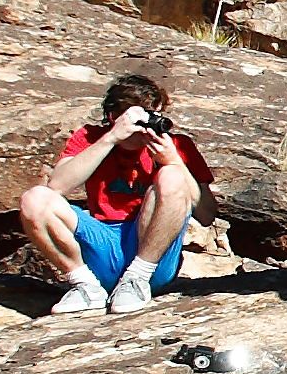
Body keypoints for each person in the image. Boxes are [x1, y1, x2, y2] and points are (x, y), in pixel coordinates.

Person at [19, 71, 208, 318]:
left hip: (152, 257)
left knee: (171, 176)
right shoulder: (90, 138)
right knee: (34, 199)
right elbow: (57, 186)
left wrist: (174, 161)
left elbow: (206, 214)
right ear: (113, 117)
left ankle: (136, 279)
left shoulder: (175, 145)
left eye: (155, 115)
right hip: (102, 247)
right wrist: (110, 139)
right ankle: (85, 287)